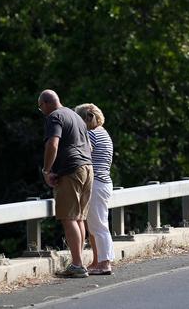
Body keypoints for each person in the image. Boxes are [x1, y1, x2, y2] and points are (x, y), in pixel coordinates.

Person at [38, 89, 94, 278]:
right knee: (79, 218)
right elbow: (89, 145)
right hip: (87, 167)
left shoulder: (54, 117)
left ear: (46, 103)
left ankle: (77, 265)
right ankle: (80, 263)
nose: (42, 111)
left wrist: (47, 170)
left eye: (40, 108)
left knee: (68, 218)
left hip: (71, 169)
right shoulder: (75, 115)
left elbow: (53, 144)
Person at [74, 103, 115, 275]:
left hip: (96, 183)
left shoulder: (91, 134)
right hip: (103, 182)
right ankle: (97, 261)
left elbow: (82, 154)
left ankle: (105, 263)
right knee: (95, 224)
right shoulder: (103, 133)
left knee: (98, 225)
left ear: (88, 118)